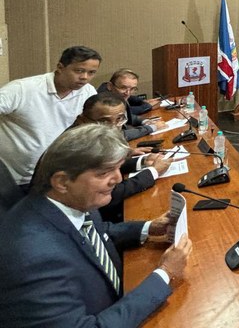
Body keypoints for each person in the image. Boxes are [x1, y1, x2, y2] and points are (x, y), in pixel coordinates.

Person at [0, 124, 192, 327]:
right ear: (62, 182)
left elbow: (95, 235)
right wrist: (165, 273)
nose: (118, 178)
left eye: (118, 168)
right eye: (104, 173)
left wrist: (147, 228)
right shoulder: (32, 257)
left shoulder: (71, 200)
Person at [0, 45, 101, 188]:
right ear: (60, 67)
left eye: (91, 72)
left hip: (52, 175)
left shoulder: (88, 92)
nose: (85, 77)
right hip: (10, 178)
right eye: (79, 70)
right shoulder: (21, 89)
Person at [73, 92, 173, 221]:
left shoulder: (91, 135)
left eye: (119, 119)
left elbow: (106, 168)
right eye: (104, 121)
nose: (114, 128)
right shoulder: (78, 147)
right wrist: (153, 172)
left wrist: (142, 161)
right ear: (82, 120)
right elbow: (110, 192)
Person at [100, 69, 166, 141]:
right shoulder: (103, 105)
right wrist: (151, 128)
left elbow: (128, 117)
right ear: (110, 86)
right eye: (123, 88)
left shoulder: (118, 98)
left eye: (132, 89)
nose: (128, 93)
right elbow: (116, 135)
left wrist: (145, 121)